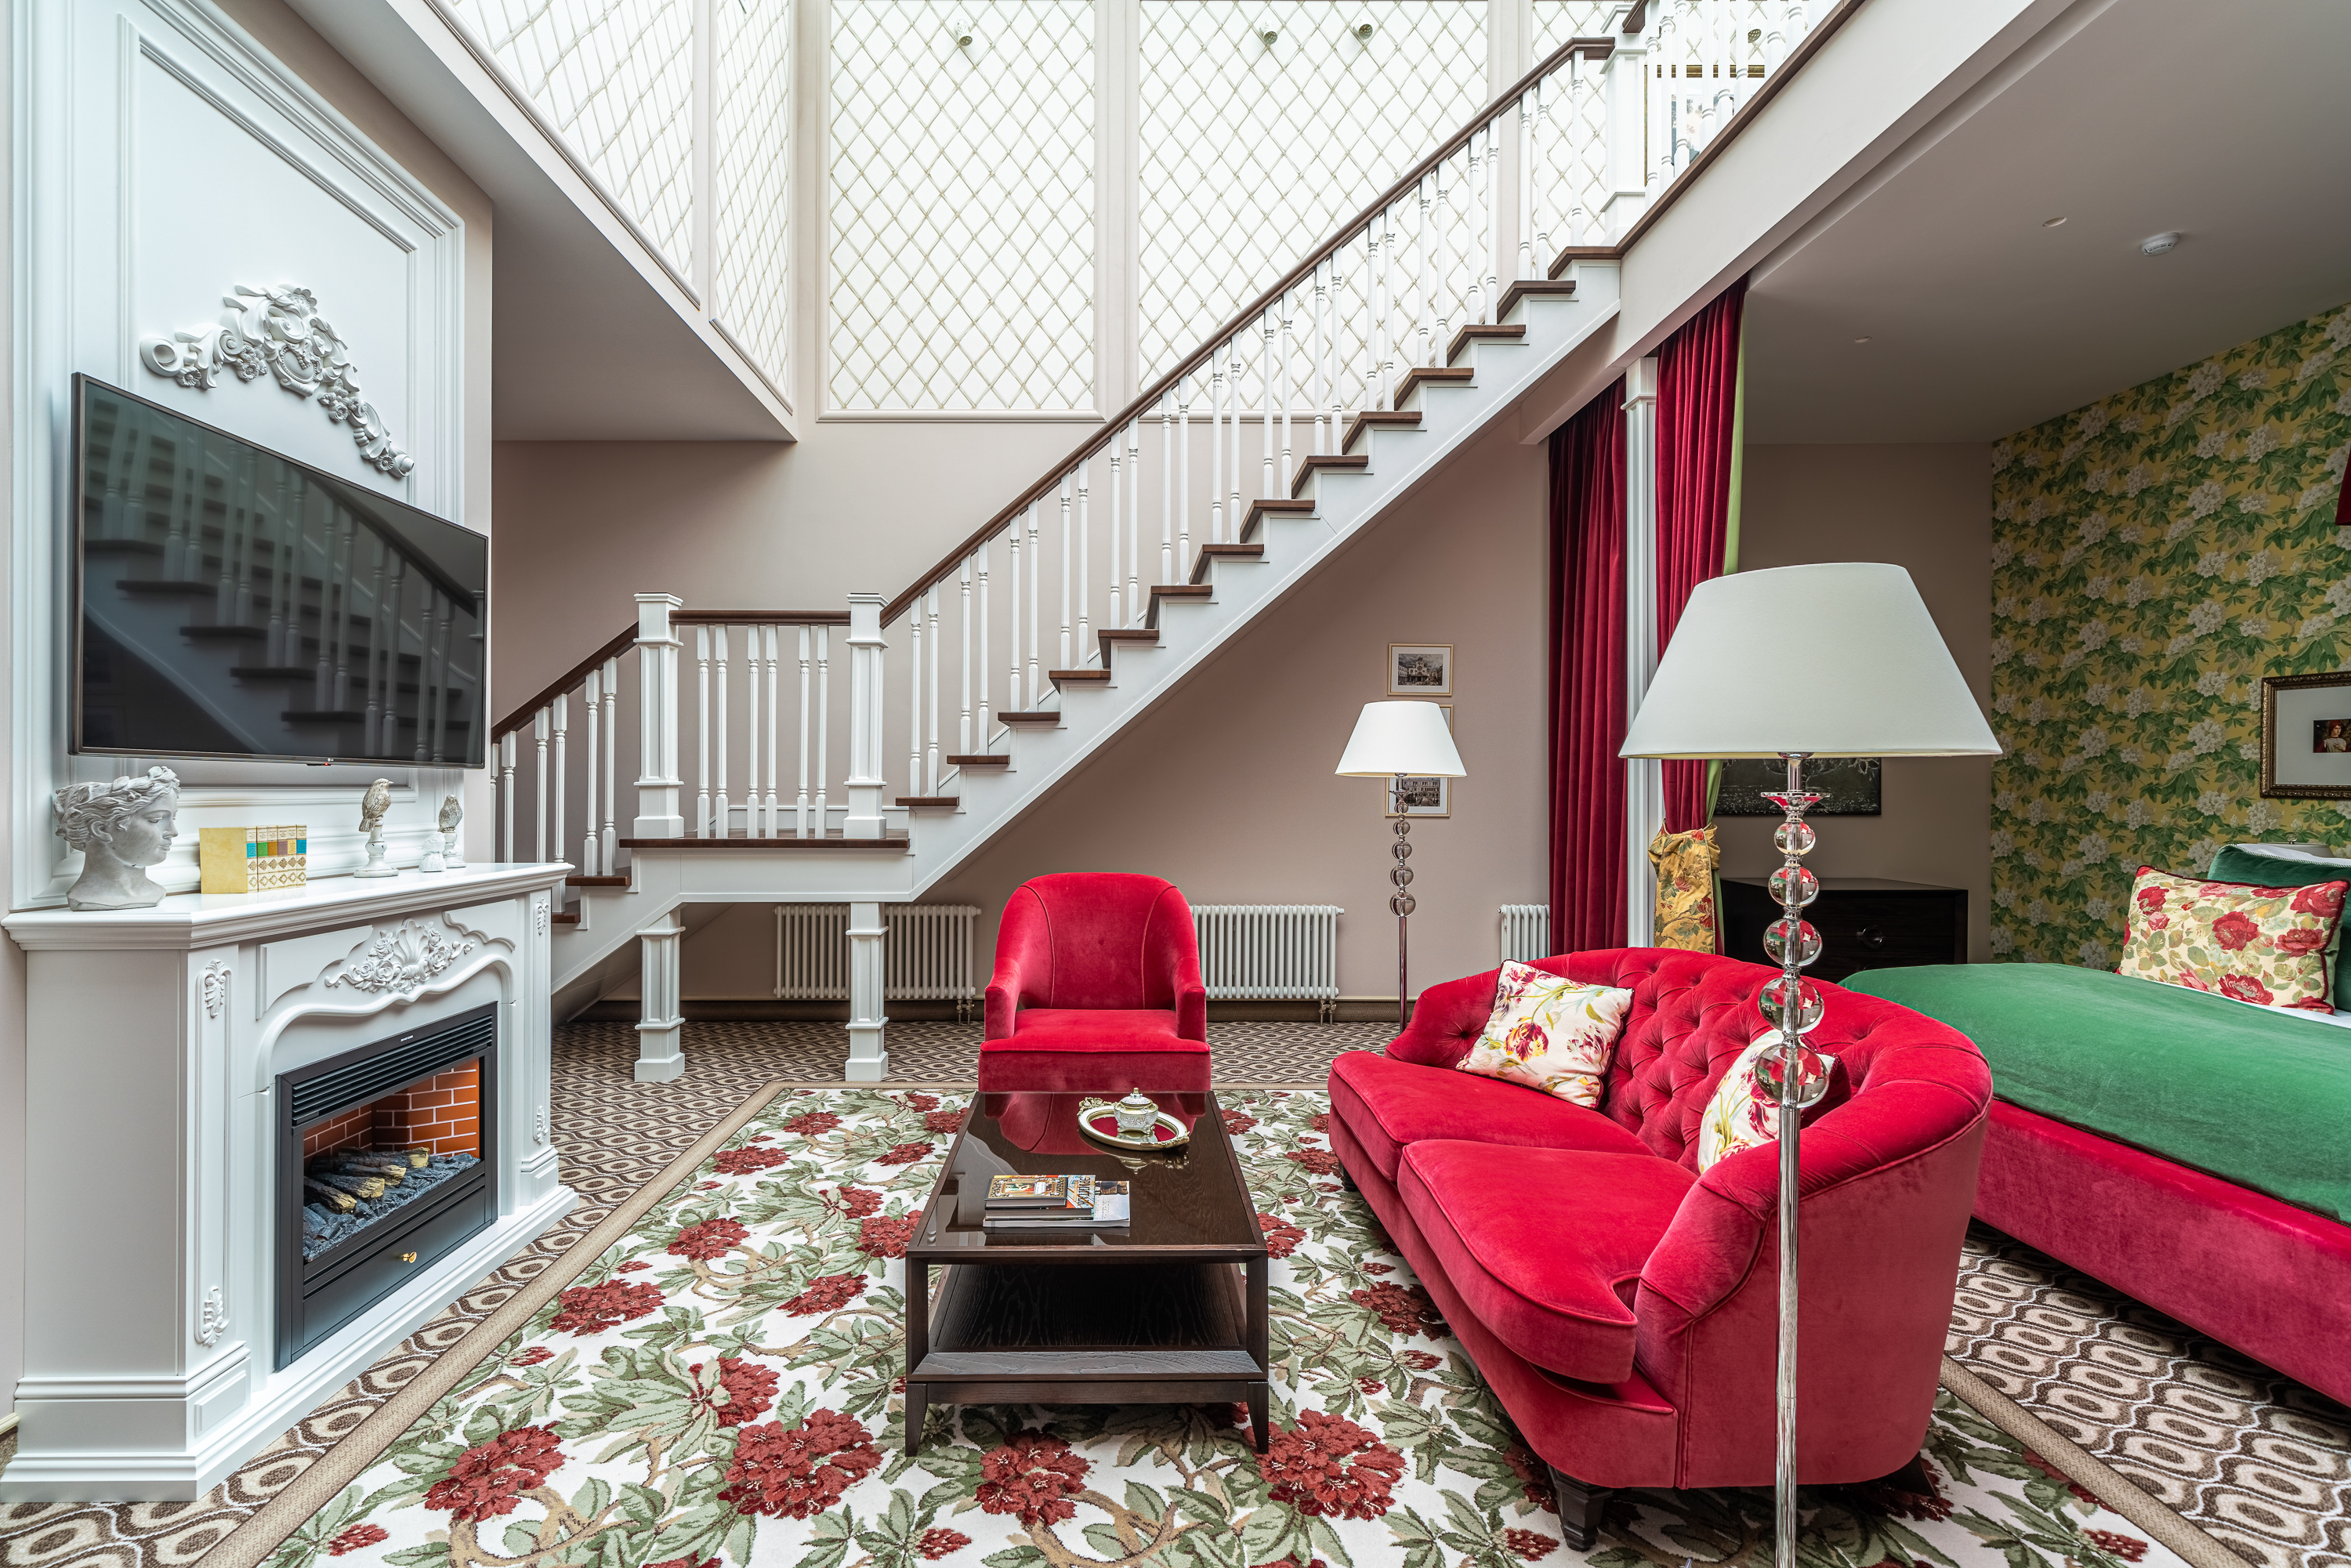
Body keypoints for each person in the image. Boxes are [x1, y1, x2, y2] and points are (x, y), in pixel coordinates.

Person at [54, 766, 180, 909]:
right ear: (101, 829)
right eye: (155, 820)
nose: (173, 832)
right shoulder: (84, 897)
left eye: (173, 819)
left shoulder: (156, 892)